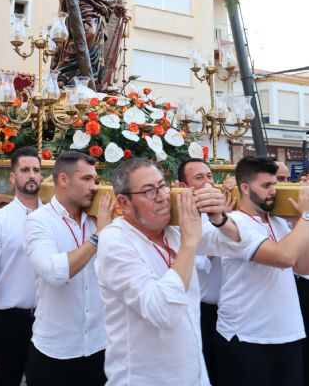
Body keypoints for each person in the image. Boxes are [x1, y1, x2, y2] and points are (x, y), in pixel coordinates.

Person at [96, 157, 260, 386]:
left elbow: (240, 244)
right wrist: (189, 244)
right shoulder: (115, 241)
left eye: (162, 186)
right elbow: (161, 311)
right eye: (149, 192)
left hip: (194, 374)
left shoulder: (173, 230)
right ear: (123, 203)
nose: (163, 197)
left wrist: (219, 218)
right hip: (145, 379)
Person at [23, 150, 114, 386]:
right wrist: (98, 237)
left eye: (95, 179)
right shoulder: (38, 221)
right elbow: (54, 273)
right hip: (55, 353)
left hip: (99, 347)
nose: (94, 187)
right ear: (63, 180)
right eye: (86, 179)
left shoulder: (98, 218)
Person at [215, 156, 309, 386]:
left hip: (288, 334)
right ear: (245, 188)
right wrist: (307, 216)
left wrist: (298, 220)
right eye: (266, 185)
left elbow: (302, 266)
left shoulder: (278, 222)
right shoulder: (235, 222)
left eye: (275, 184)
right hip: (248, 337)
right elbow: (284, 257)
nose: (273, 191)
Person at [0, 146, 43, 385]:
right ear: (13, 178)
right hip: (8, 323)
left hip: (48, 320)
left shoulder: (55, 218)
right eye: (25, 170)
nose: (31, 175)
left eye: (36, 170)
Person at [177, 158, 235, 386]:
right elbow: (198, 263)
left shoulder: (227, 207)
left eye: (209, 176)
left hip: (231, 309)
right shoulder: (180, 217)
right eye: (199, 178)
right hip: (200, 311)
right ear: (184, 187)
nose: (208, 182)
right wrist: (220, 225)